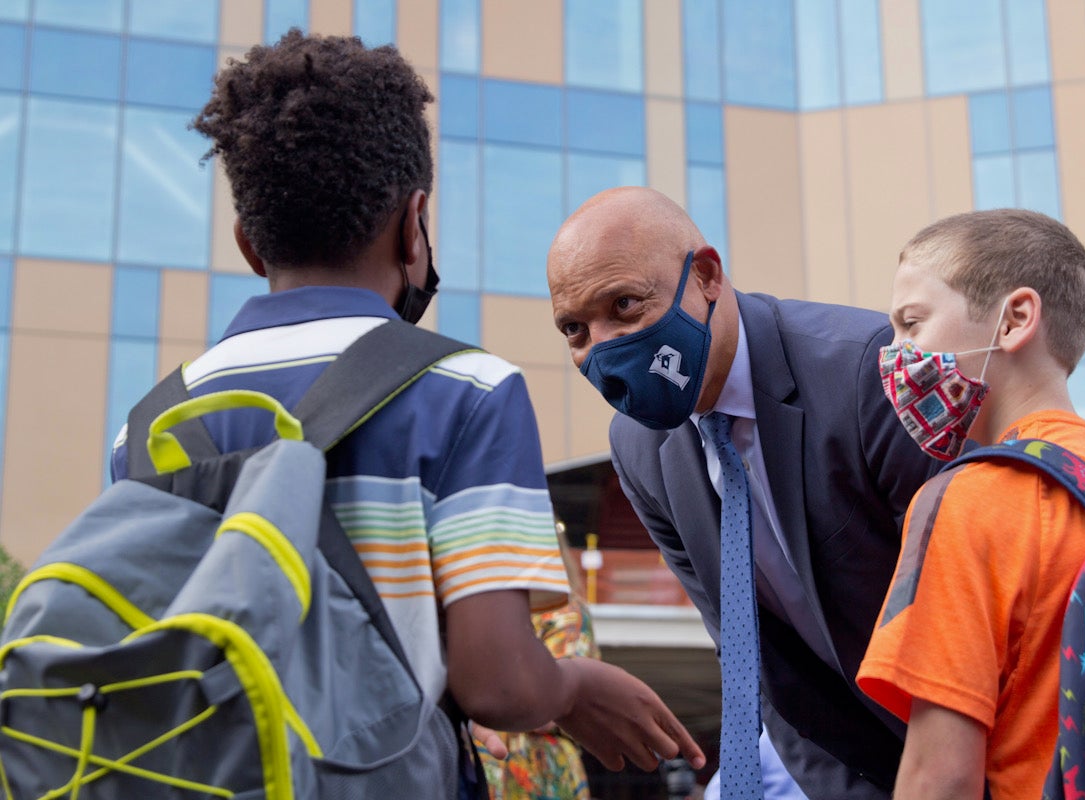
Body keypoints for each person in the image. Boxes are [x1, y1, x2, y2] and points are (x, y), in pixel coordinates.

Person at [109, 31, 702, 798]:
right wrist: (577, 688)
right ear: (413, 222)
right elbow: (495, 683)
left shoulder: (146, 426)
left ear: (249, 243)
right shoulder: (467, 389)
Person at [545, 186, 941, 799]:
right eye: (574, 329)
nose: (602, 348)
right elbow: (760, 666)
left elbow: (969, 626)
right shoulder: (638, 448)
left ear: (704, 276)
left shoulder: (869, 374)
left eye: (624, 305)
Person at [855, 209, 1085, 800]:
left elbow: (939, 776)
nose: (892, 355)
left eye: (911, 323)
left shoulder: (970, 498)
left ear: (1016, 319)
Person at [475, 528, 598, 799]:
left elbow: (550, 705)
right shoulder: (479, 608)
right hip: (485, 765)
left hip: (539, 769)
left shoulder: (566, 614)